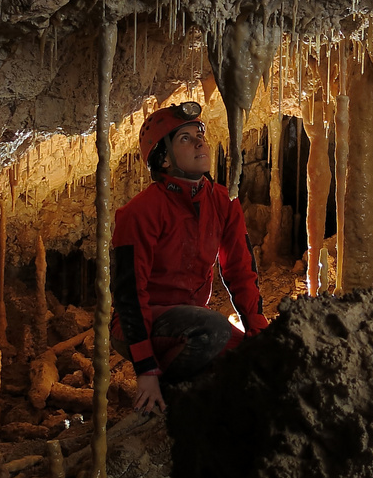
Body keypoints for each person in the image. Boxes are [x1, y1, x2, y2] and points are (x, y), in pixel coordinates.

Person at [111, 101, 268, 413]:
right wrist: (146, 368)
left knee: (249, 359)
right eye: (185, 138)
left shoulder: (224, 202)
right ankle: (167, 393)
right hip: (139, 327)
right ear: (164, 158)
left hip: (193, 324)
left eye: (200, 134)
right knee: (214, 329)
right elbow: (130, 294)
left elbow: (239, 271)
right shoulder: (139, 213)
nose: (200, 142)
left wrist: (258, 331)